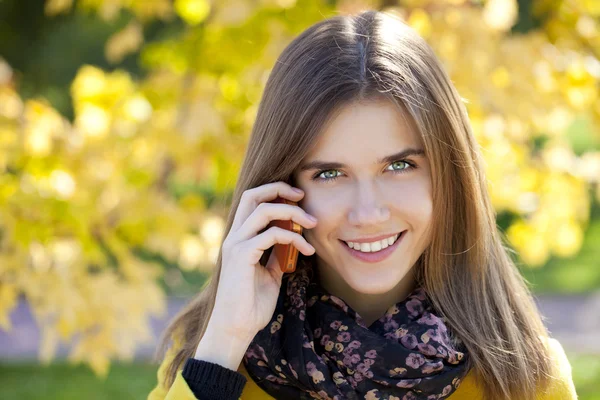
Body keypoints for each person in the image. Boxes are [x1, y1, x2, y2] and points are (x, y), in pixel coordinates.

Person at [148, 10, 577, 400]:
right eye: (329, 174)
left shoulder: (528, 379)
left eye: (400, 165)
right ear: (282, 190)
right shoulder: (214, 363)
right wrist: (223, 343)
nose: (368, 213)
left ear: (449, 176)